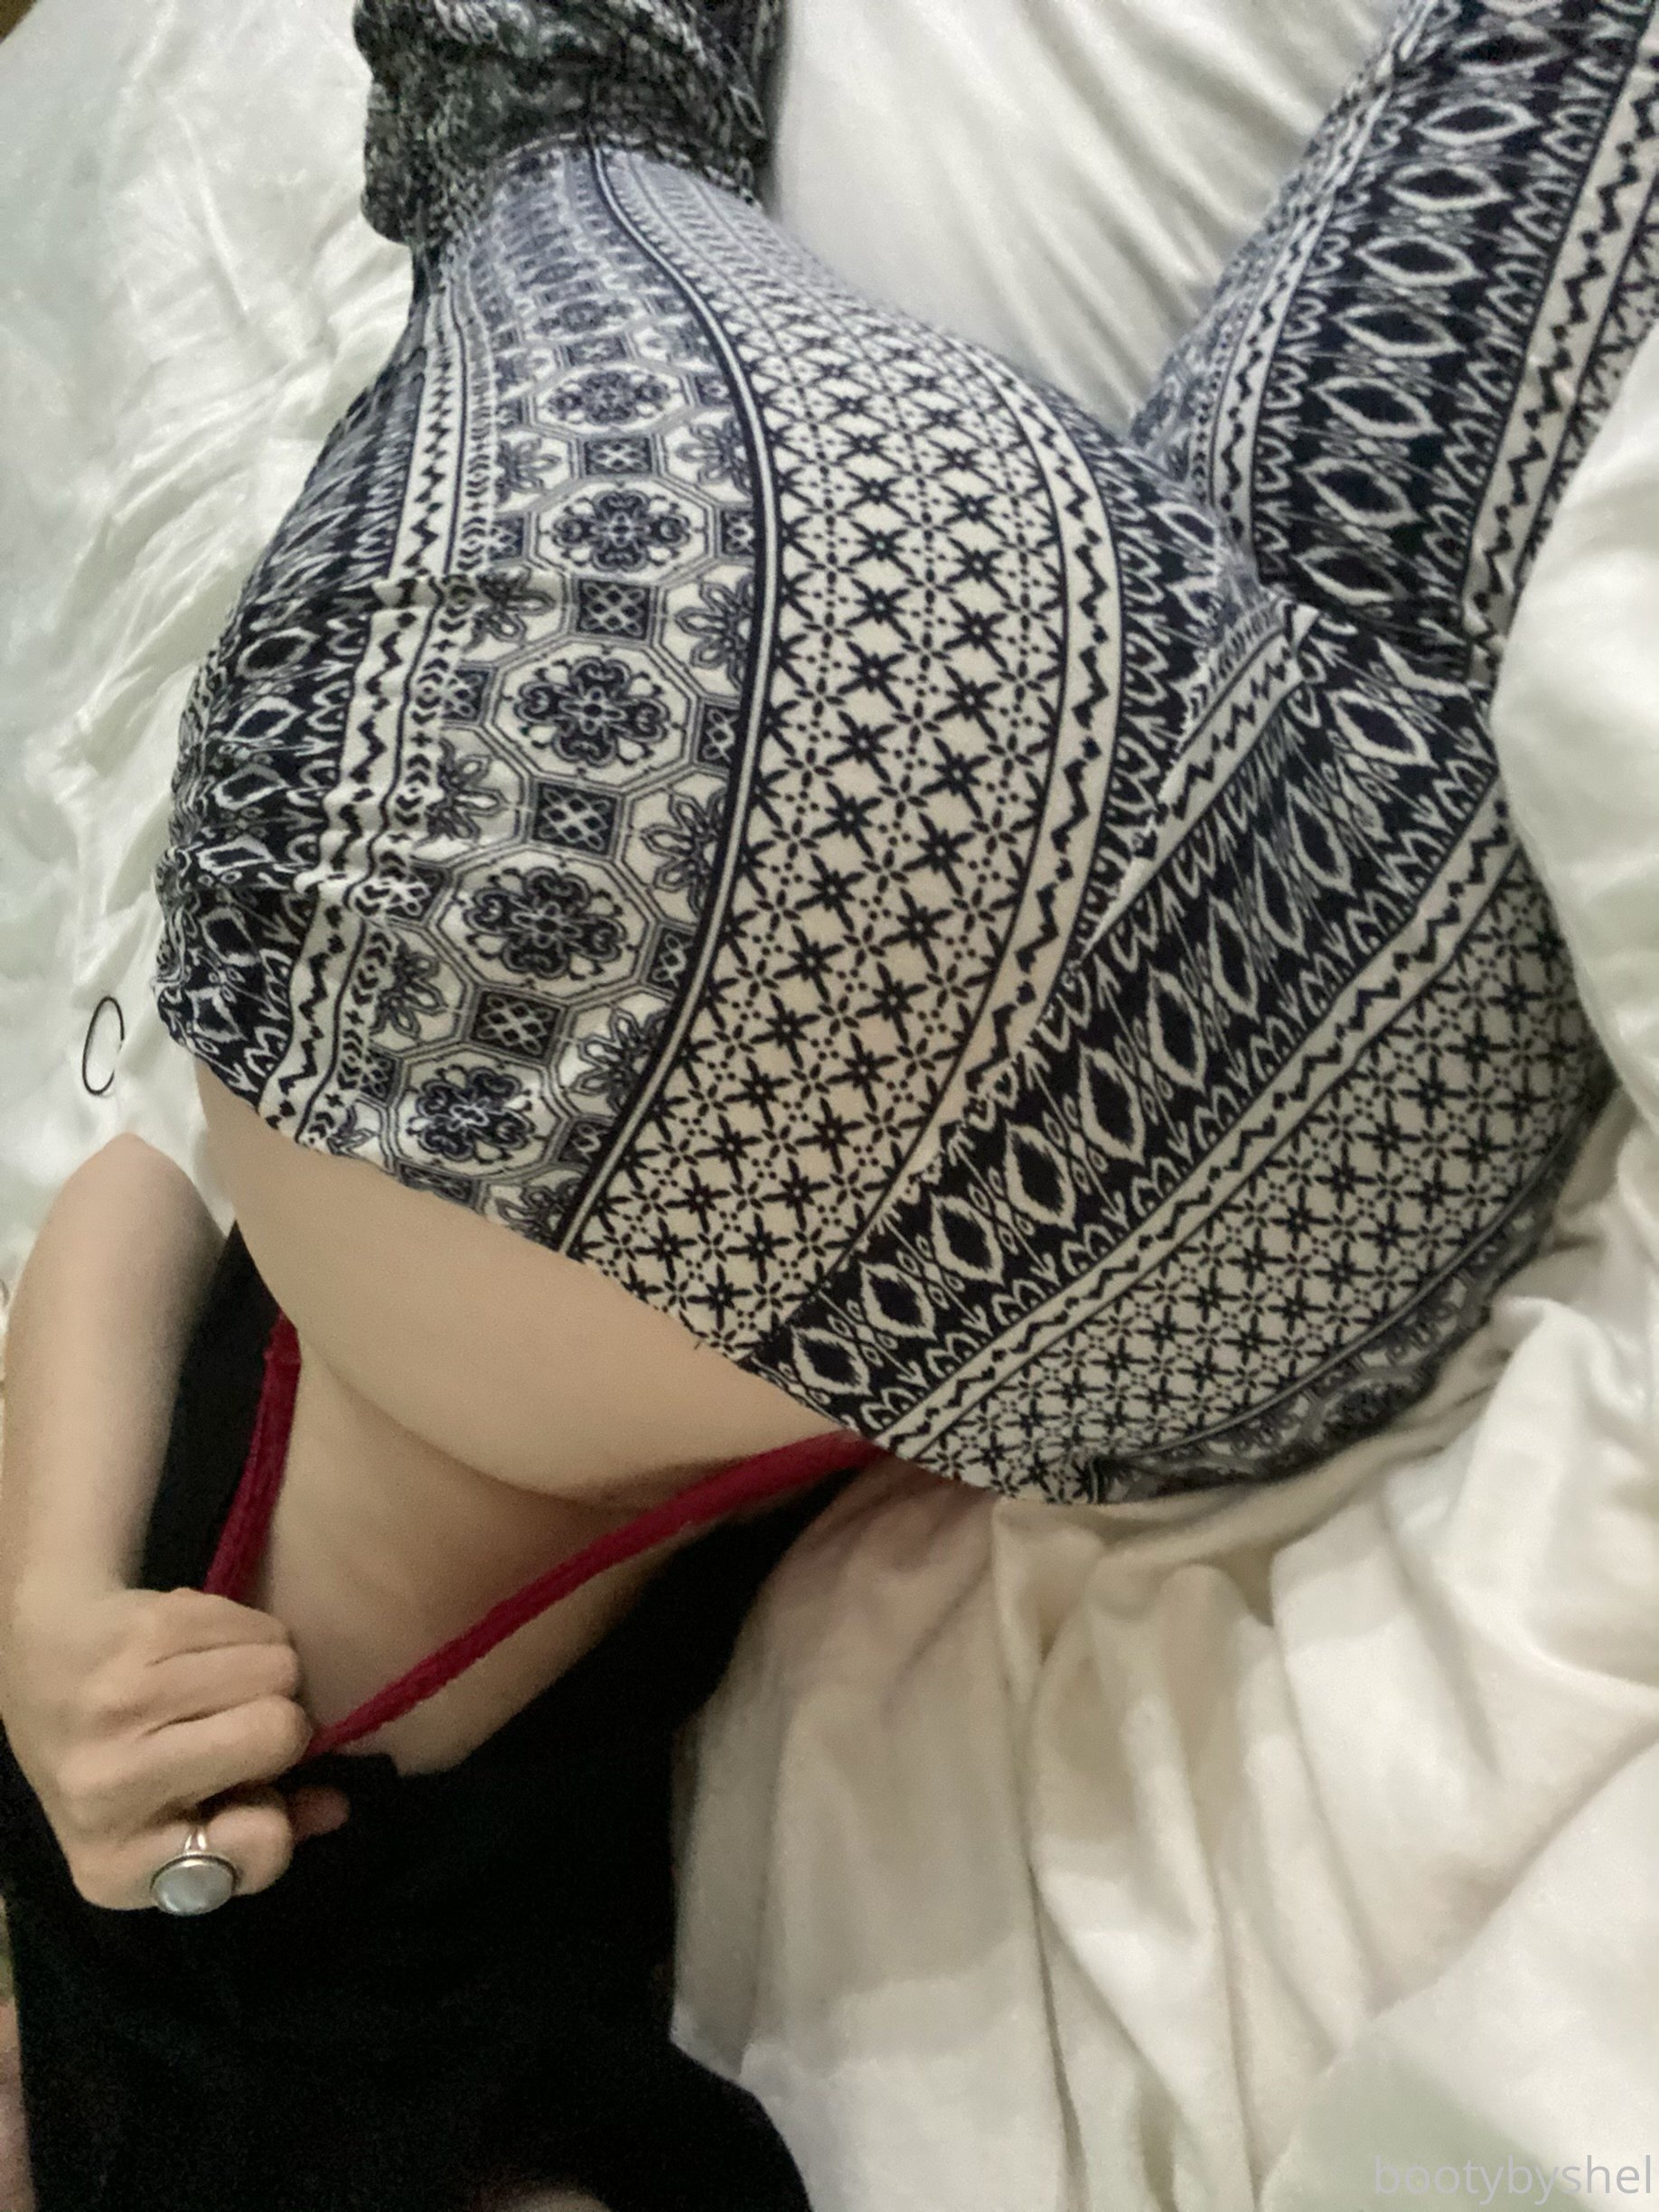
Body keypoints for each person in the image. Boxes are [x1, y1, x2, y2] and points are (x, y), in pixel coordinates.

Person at [0, 0, 1654, 2204]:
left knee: (1554, 107)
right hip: (684, 864)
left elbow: (128, 1195)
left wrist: (45, 1627)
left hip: (1223, 1178)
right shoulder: (234, 2146)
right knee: (560, 107)